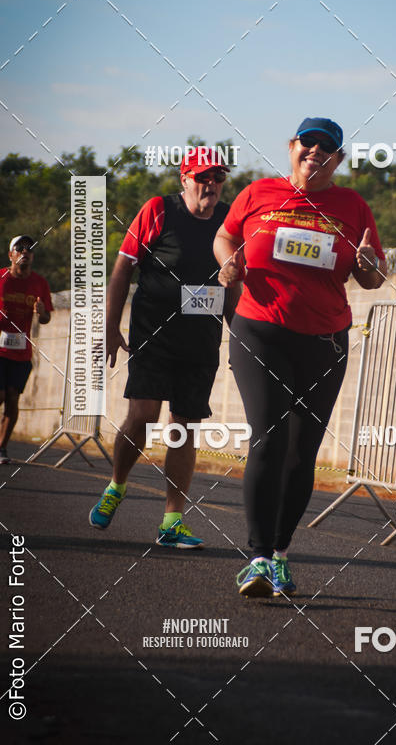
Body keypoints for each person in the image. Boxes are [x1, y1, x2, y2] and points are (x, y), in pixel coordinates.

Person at [214, 117, 387, 596]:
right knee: (267, 439)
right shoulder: (257, 194)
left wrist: (369, 265)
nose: (315, 152)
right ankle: (257, 559)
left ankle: (281, 553)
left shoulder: (352, 206)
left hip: (325, 341)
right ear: (292, 147)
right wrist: (227, 262)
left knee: (301, 452)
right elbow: (225, 236)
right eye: (307, 143)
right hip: (260, 331)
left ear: (338, 159)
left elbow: (371, 276)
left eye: (326, 147)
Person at [89, 147, 240, 547]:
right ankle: (117, 485)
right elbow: (123, 267)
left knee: (185, 427)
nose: (211, 184)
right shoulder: (159, 210)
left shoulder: (229, 222)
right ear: (184, 179)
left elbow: (234, 285)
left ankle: (171, 521)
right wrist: (110, 325)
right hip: (153, 333)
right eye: (203, 177)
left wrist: (241, 339)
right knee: (142, 415)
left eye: (218, 178)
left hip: (201, 342)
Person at [0, 235, 53, 465]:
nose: (25, 252)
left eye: (29, 249)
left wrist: (41, 312)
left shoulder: (40, 283)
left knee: (12, 399)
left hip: (21, 352)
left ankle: (1, 448)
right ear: (11, 254)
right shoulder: (1, 279)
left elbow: (46, 318)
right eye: (19, 248)